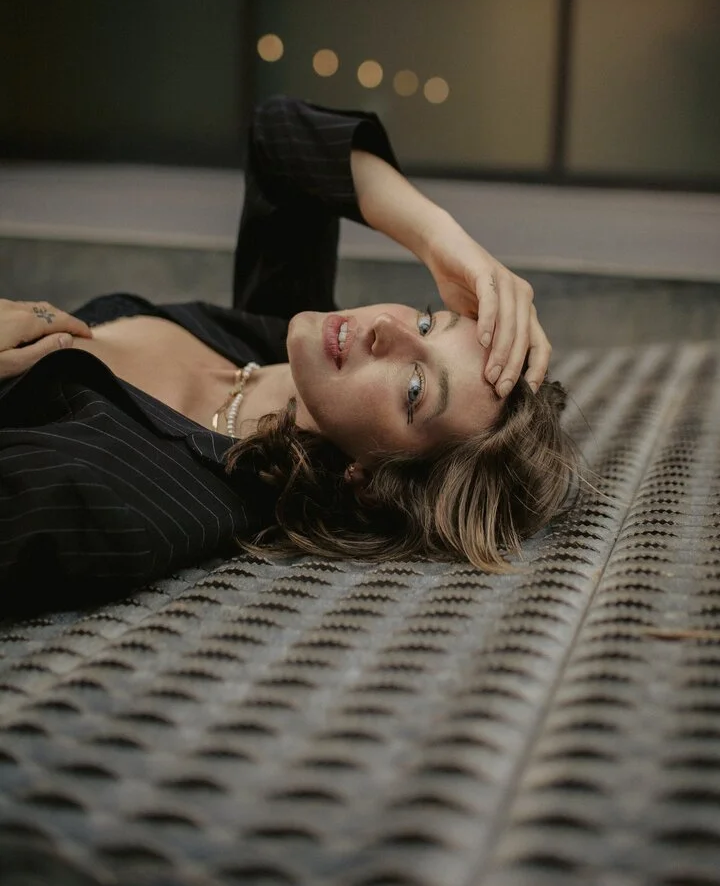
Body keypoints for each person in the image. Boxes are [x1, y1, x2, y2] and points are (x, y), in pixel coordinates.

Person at [0, 96, 576, 597]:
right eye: (428, 323)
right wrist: (444, 241)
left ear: (371, 481)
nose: (390, 330)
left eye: (415, 388)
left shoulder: (128, 498)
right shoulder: (274, 344)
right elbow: (284, 135)